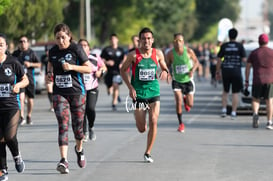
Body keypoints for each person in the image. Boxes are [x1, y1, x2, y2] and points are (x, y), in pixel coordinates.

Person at [46, 23, 92, 174]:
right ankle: (64, 160)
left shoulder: (76, 49)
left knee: (78, 129)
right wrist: (49, 73)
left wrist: (72, 67)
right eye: (58, 38)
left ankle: (79, 149)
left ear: (69, 36)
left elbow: (88, 68)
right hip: (59, 93)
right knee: (63, 124)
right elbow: (50, 64)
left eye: (63, 37)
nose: (60, 41)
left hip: (77, 93)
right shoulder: (52, 51)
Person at [120, 27, 170, 163]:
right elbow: (123, 70)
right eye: (143, 39)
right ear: (139, 40)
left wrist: (165, 71)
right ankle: (139, 117)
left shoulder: (158, 53)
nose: (146, 41)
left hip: (153, 91)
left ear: (152, 40)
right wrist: (130, 88)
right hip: (139, 94)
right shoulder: (133, 55)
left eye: (149, 38)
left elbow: (164, 65)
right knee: (142, 129)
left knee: (154, 120)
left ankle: (148, 152)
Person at [0, 33, 29, 180]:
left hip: (11, 106)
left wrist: (18, 85)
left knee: (9, 137)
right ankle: (2, 169)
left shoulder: (13, 62)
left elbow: (26, 80)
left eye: (1, 45)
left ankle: (17, 156)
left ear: (6, 47)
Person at [165, 33, 199, 133]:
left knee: (190, 104)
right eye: (176, 41)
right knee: (178, 101)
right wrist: (168, 74)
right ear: (173, 42)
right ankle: (181, 124)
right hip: (177, 81)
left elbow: (196, 62)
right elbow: (167, 65)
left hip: (188, 80)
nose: (178, 43)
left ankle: (186, 99)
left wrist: (192, 70)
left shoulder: (188, 51)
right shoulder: (170, 54)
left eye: (180, 41)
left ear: (183, 42)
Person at [78, 39, 107, 141]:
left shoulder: (94, 57)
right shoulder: (76, 58)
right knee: (82, 111)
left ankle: (91, 126)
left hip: (92, 87)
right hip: (79, 88)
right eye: (80, 45)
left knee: (90, 108)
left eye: (85, 45)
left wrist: (100, 72)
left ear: (89, 47)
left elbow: (104, 67)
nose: (83, 47)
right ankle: (84, 132)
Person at [216, 28, 246, 119]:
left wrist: (217, 71)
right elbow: (244, 59)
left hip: (226, 70)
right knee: (235, 92)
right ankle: (233, 112)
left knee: (225, 91)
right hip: (236, 71)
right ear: (236, 36)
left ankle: (224, 110)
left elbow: (219, 59)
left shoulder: (224, 46)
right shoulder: (240, 46)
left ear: (229, 36)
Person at [245, 33, 273, 129]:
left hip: (258, 79)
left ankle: (255, 113)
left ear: (259, 42)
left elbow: (247, 67)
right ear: (267, 41)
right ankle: (269, 122)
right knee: (269, 100)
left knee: (255, 99)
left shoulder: (254, 53)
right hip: (270, 80)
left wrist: (247, 80)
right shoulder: (272, 52)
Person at [12, 36, 41, 125]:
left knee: (30, 100)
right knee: (21, 98)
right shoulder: (15, 54)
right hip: (20, 80)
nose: (22, 43)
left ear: (28, 43)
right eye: (21, 41)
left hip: (30, 79)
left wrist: (30, 64)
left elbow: (39, 64)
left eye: (24, 41)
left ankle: (29, 115)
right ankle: (22, 116)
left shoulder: (31, 53)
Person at [100, 33, 125, 111]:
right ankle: (111, 90)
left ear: (117, 40)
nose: (113, 40)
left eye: (114, 39)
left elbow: (125, 58)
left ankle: (114, 103)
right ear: (110, 41)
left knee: (116, 86)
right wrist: (107, 62)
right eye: (111, 39)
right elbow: (101, 59)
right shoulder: (106, 49)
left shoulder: (120, 50)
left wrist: (122, 64)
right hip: (108, 71)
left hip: (117, 71)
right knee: (109, 88)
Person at [41, 46, 54, 112]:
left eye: (48, 50)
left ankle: (55, 104)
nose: (47, 52)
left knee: (55, 90)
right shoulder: (44, 57)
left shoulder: (54, 55)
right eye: (46, 50)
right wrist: (41, 71)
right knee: (49, 89)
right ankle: (51, 105)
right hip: (48, 75)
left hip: (56, 74)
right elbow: (41, 65)